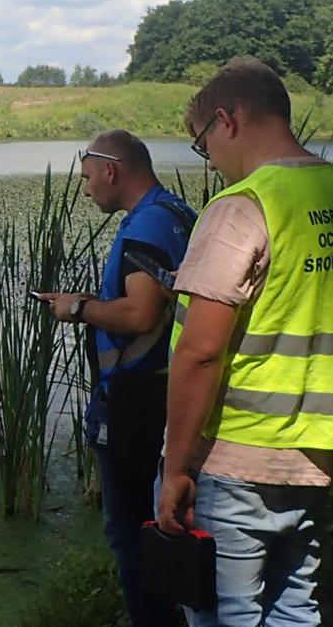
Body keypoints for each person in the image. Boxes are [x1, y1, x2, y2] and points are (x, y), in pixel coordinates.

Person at [156, 57, 333, 626]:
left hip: (235, 458)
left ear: (227, 119)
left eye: (203, 144)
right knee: (294, 610)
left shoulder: (242, 208)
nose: (211, 161)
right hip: (314, 455)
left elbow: (200, 352)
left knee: (228, 615)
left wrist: (176, 468)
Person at [38, 129, 193, 627]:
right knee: (158, 524)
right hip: (164, 393)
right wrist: (93, 302)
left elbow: (141, 315)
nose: (86, 189)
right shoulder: (176, 213)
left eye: (88, 177)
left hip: (136, 403)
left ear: (111, 169)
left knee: (131, 532)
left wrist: (78, 309)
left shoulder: (146, 225)